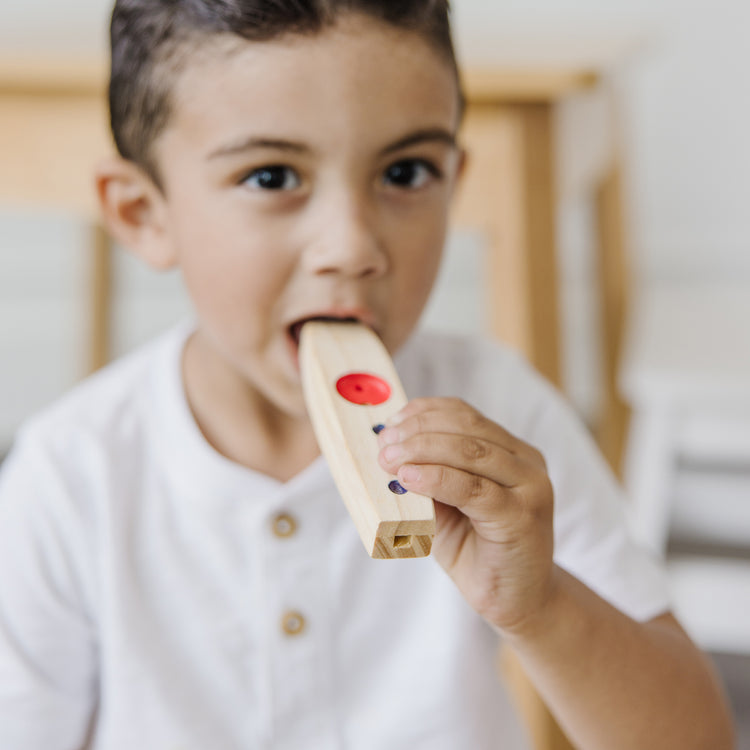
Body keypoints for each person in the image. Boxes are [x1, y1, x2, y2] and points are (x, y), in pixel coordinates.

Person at [0, 1, 735, 748]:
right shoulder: (70, 476)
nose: (351, 246)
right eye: (272, 176)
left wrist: (541, 604)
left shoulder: (502, 418)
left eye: (406, 172)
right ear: (141, 213)